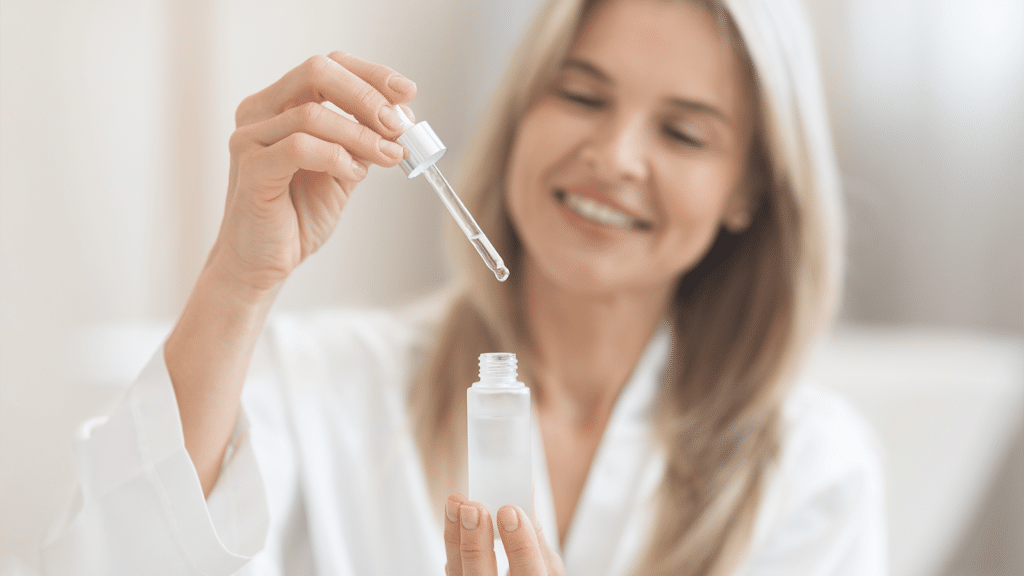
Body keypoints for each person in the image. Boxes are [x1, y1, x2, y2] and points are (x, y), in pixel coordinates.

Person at [41, 0, 886, 574]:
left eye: (682, 133)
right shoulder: (324, 381)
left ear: (751, 188)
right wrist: (240, 276)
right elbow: (117, 558)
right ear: (521, 111)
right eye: (583, 95)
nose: (616, 155)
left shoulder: (811, 468)